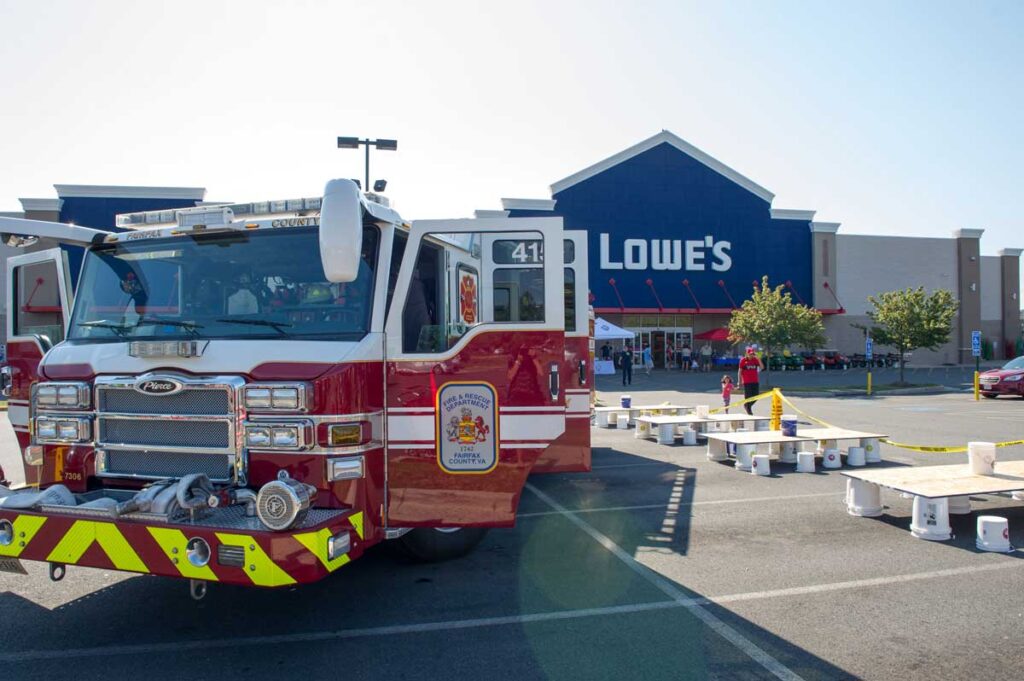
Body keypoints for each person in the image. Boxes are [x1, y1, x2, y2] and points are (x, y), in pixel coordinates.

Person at [737, 346, 764, 415]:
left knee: (756, 396)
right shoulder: (743, 360)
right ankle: (749, 410)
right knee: (748, 397)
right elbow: (740, 372)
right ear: (747, 354)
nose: (751, 355)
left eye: (752, 354)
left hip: (755, 381)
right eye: (750, 354)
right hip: (747, 382)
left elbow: (762, 367)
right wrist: (739, 382)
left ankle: (747, 405)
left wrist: (759, 359)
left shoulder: (755, 360)